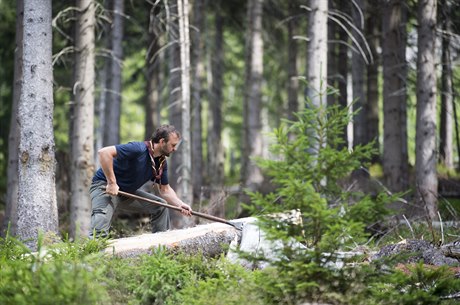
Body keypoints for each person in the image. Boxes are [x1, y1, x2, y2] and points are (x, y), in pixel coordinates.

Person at [89, 124, 192, 238]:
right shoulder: (138, 148)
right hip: (104, 187)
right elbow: (104, 153)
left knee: (160, 206)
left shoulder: (161, 163)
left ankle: (161, 246)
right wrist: (112, 183)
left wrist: (180, 204)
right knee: (99, 232)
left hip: (126, 193)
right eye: (173, 145)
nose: (175, 149)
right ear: (162, 141)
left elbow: (165, 190)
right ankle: (93, 254)